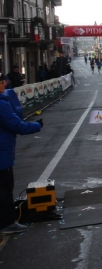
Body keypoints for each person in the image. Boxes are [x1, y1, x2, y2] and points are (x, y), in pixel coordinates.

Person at [0, 73, 43, 234]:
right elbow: (16, 125)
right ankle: (7, 223)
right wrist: (37, 126)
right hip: (2, 157)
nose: (4, 85)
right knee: (4, 189)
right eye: (2, 82)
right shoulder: (1, 104)